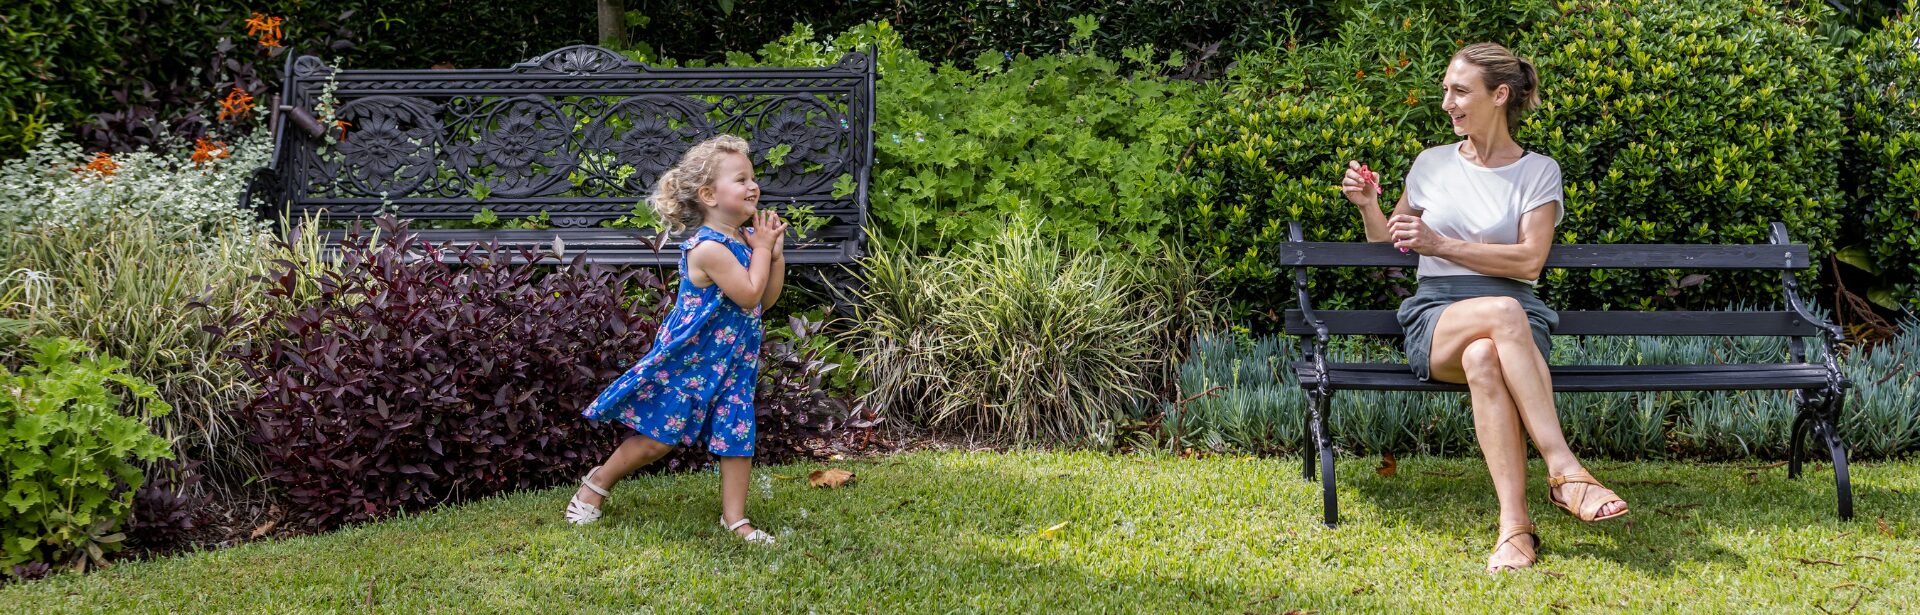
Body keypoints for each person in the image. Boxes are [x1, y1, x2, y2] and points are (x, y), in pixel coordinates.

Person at [1340, 42, 1628, 573]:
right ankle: (1564, 471)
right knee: (1498, 318)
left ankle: (1515, 529)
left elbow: (1528, 263)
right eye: (1446, 90)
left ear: (1499, 95)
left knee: (1486, 356)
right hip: (1438, 317)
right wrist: (1369, 207)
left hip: (1516, 322)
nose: (1447, 102)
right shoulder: (1431, 163)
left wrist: (1441, 244)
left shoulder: (1538, 171)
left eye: (1459, 91)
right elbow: (1394, 242)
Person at [564, 135, 789, 545]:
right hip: (691, 362)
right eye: (741, 179)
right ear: (708, 195)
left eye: (753, 177)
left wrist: (773, 255)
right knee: (655, 441)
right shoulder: (708, 248)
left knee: (737, 434)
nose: (753, 186)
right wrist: (762, 250)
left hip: (733, 361)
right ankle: (595, 484)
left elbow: (765, 299)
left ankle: (735, 519)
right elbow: (748, 294)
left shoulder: (743, 241)